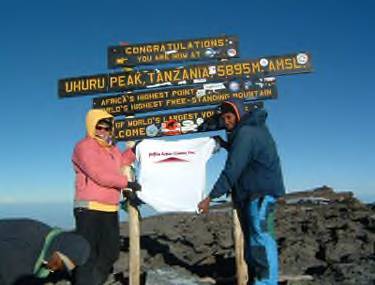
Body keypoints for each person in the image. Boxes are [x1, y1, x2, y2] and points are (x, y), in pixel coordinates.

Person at [198, 99, 285, 285]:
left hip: (259, 193)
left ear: (238, 114)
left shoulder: (246, 132)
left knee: (260, 239)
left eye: (229, 117)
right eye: (223, 118)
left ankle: (267, 282)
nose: (226, 121)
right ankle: (261, 280)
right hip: (255, 193)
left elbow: (232, 169)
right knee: (257, 239)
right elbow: (245, 154)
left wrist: (210, 197)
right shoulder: (249, 130)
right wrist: (226, 144)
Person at [72, 109, 140, 285]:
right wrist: (127, 183)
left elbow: (122, 161)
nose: (103, 131)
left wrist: (136, 150)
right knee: (87, 255)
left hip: (110, 208)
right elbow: (99, 175)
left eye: (107, 128)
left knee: (111, 253)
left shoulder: (112, 149)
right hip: (88, 208)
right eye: (99, 127)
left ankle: (94, 282)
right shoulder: (84, 146)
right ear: (91, 127)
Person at [0, 218, 90, 285]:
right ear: (58, 253)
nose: (57, 269)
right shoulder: (21, 253)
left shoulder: (50, 241)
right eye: (62, 265)